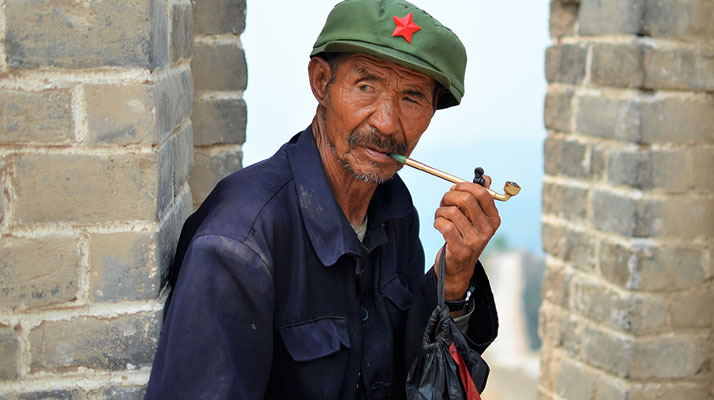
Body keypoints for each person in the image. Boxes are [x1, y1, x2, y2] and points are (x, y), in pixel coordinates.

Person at [145, 0, 500, 398]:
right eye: (366, 86)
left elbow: (415, 377)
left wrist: (453, 277)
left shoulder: (393, 205)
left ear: (432, 110)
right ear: (321, 83)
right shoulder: (239, 244)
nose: (386, 121)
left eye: (412, 98)